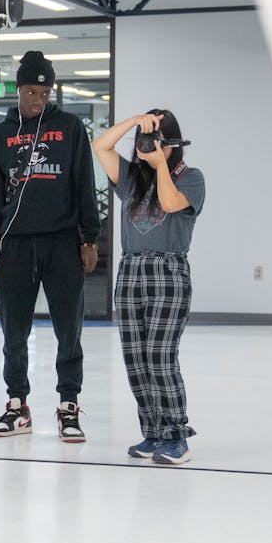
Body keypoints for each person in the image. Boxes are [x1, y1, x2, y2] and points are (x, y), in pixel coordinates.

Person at [0, 49, 101, 441]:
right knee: (14, 331)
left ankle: (68, 404)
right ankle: (17, 405)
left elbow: (84, 183)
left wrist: (89, 237)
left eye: (45, 93)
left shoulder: (71, 128)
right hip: (14, 247)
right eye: (32, 91)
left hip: (63, 243)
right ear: (19, 89)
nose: (39, 100)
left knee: (69, 329)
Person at [91, 108, 206, 465]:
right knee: (136, 359)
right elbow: (101, 146)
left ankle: (175, 436)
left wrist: (159, 164)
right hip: (130, 270)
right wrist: (135, 123)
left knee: (160, 355)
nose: (146, 146)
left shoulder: (192, 177)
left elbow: (170, 203)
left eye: (155, 140)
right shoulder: (130, 179)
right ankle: (152, 431)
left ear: (172, 144)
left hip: (168, 270)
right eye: (143, 141)